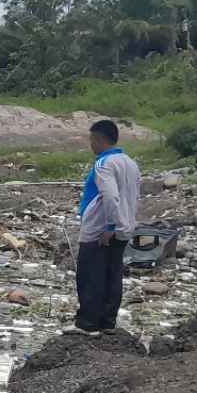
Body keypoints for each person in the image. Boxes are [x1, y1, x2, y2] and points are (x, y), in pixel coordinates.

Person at [70, 120, 141, 336]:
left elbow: (110, 195)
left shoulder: (104, 164)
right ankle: (107, 322)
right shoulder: (130, 163)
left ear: (100, 140)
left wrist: (110, 225)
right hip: (124, 228)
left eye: (91, 139)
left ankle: (88, 324)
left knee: (91, 275)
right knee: (112, 275)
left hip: (101, 230)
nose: (90, 144)